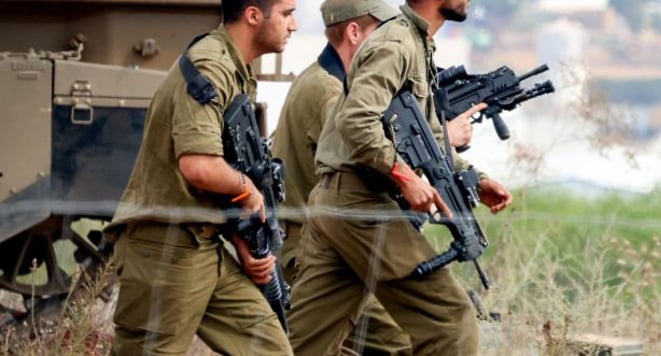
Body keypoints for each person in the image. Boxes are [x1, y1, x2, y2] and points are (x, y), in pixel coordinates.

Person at [286, 0, 512, 355]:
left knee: (306, 343)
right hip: (362, 205)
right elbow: (357, 121)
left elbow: (431, 135)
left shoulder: (414, 42)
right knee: (450, 321)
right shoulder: (395, 43)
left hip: (339, 203)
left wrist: (475, 178)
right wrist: (404, 176)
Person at [103, 0, 297, 354]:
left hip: (205, 245)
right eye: (286, 14)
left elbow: (223, 168)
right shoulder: (211, 65)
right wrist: (247, 189)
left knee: (271, 348)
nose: (295, 25)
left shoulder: (236, 69)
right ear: (254, 15)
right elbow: (200, 166)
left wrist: (243, 243)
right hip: (166, 248)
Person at [271, 1, 417, 354]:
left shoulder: (319, 79)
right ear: (354, 33)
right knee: (404, 341)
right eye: (380, 31)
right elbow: (359, 158)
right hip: (319, 251)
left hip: (318, 243)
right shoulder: (330, 91)